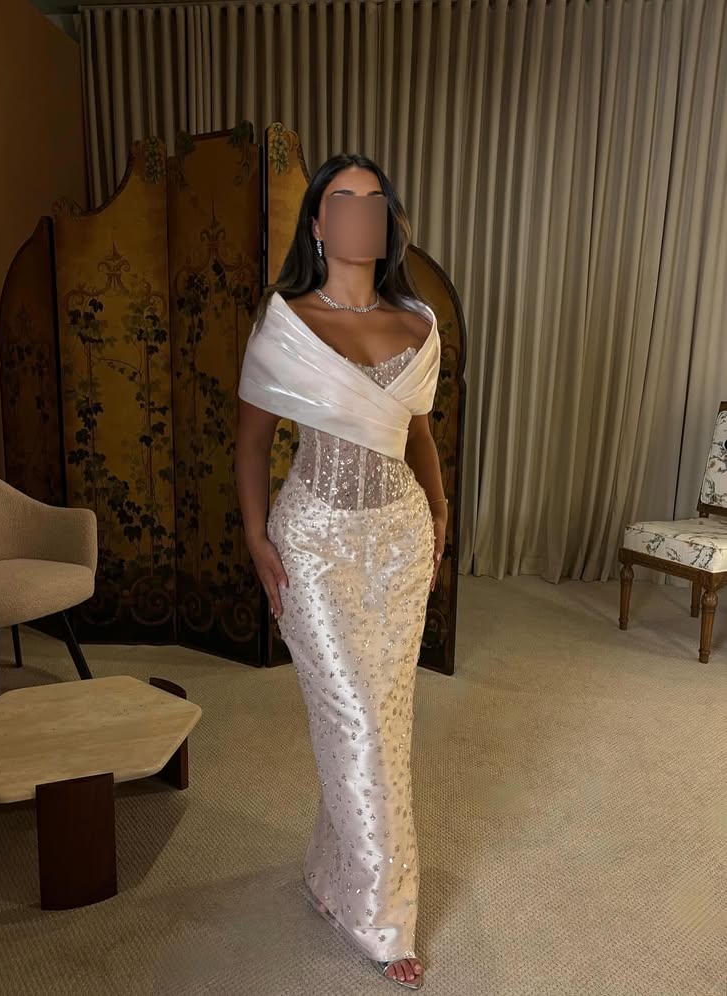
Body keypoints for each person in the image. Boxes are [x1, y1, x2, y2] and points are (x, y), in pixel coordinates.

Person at [236, 153, 447, 990]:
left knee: (383, 722)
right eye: (342, 200)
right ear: (319, 224)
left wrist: (441, 511)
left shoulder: (417, 325)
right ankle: (384, 924)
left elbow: (417, 432)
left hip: (398, 540)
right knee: (352, 719)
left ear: (387, 221)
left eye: (374, 200)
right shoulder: (285, 324)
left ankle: (336, 879)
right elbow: (252, 442)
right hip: (315, 544)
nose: (361, 212)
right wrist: (257, 537)